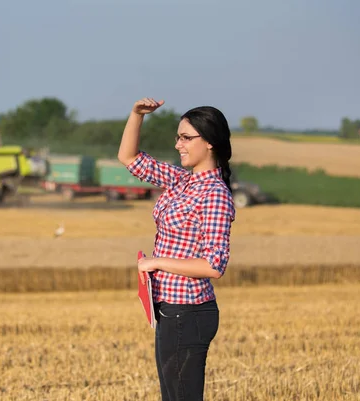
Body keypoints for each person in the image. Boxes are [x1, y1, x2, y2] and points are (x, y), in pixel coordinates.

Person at [118, 97, 235, 400]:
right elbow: (129, 158)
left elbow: (213, 266)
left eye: (186, 137)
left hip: (189, 313)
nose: (178, 145)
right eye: (178, 137)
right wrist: (136, 115)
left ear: (209, 142)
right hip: (169, 310)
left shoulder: (215, 194)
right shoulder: (181, 181)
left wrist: (157, 262)